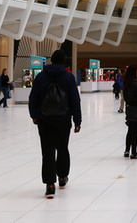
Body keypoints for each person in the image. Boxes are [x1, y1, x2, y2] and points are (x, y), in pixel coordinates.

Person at [28, 49, 82, 198]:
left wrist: (34, 115)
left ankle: (50, 185)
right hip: (63, 120)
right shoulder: (68, 77)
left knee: (47, 152)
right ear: (64, 60)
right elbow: (75, 100)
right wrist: (77, 120)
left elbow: (33, 98)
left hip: (45, 121)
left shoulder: (41, 77)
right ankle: (62, 177)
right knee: (62, 148)